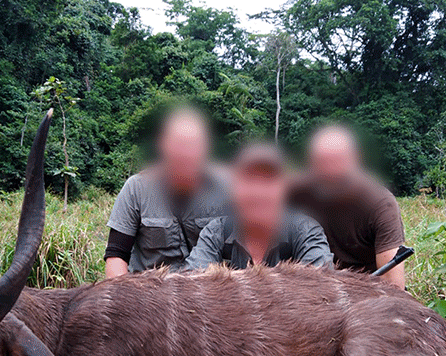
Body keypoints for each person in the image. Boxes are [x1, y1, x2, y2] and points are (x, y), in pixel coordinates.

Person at [104, 107, 229, 277]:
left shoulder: (226, 187)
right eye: (179, 144)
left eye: (193, 145)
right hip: (148, 294)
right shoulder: (136, 189)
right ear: (163, 146)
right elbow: (116, 255)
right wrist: (123, 299)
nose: (185, 153)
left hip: (206, 292)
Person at [291, 124, 407, 289]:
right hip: (308, 288)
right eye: (322, 162)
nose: (330, 171)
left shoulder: (380, 203)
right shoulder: (295, 193)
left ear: (356, 160)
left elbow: (394, 284)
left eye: (338, 160)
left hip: (365, 292)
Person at [185, 142, 333, 270]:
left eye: (268, 181)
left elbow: (321, 289)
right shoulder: (215, 232)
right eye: (249, 180)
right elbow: (193, 283)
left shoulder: (306, 231)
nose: (258, 193)